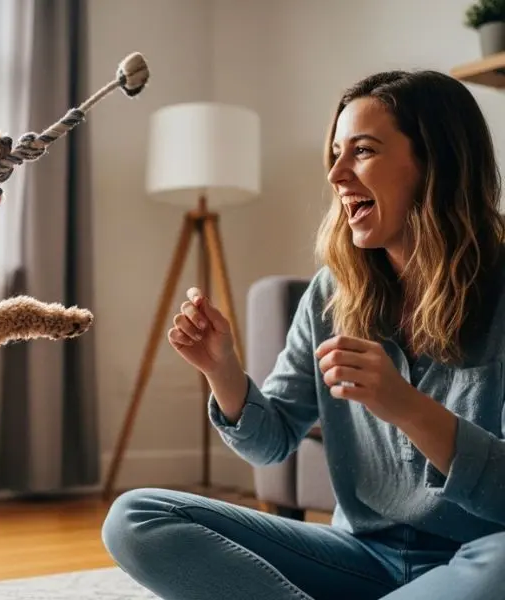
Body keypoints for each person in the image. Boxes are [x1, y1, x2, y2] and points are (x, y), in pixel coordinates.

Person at [101, 69, 505, 600]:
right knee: (136, 516)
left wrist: (405, 405)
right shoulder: (332, 293)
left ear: (438, 161)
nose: (336, 174)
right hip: (361, 556)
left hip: (479, 554)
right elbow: (272, 443)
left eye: (362, 151)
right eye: (335, 153)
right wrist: (222, 370)